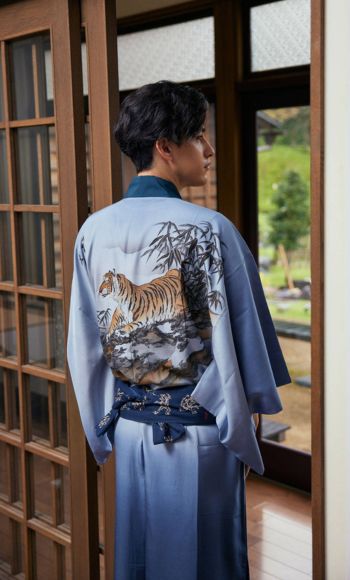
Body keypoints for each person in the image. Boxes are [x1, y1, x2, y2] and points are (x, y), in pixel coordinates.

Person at [67, 80, 291, 580]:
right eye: (199, 136)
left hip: (128, 429)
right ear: (165, 147)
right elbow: (245, 341)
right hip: (197, 433)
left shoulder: (93, 230)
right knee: (205, 560)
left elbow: (84, 347)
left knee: (139, 558)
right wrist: (245, 410)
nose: (208, 150)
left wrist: (101, 428)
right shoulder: (209, 228)